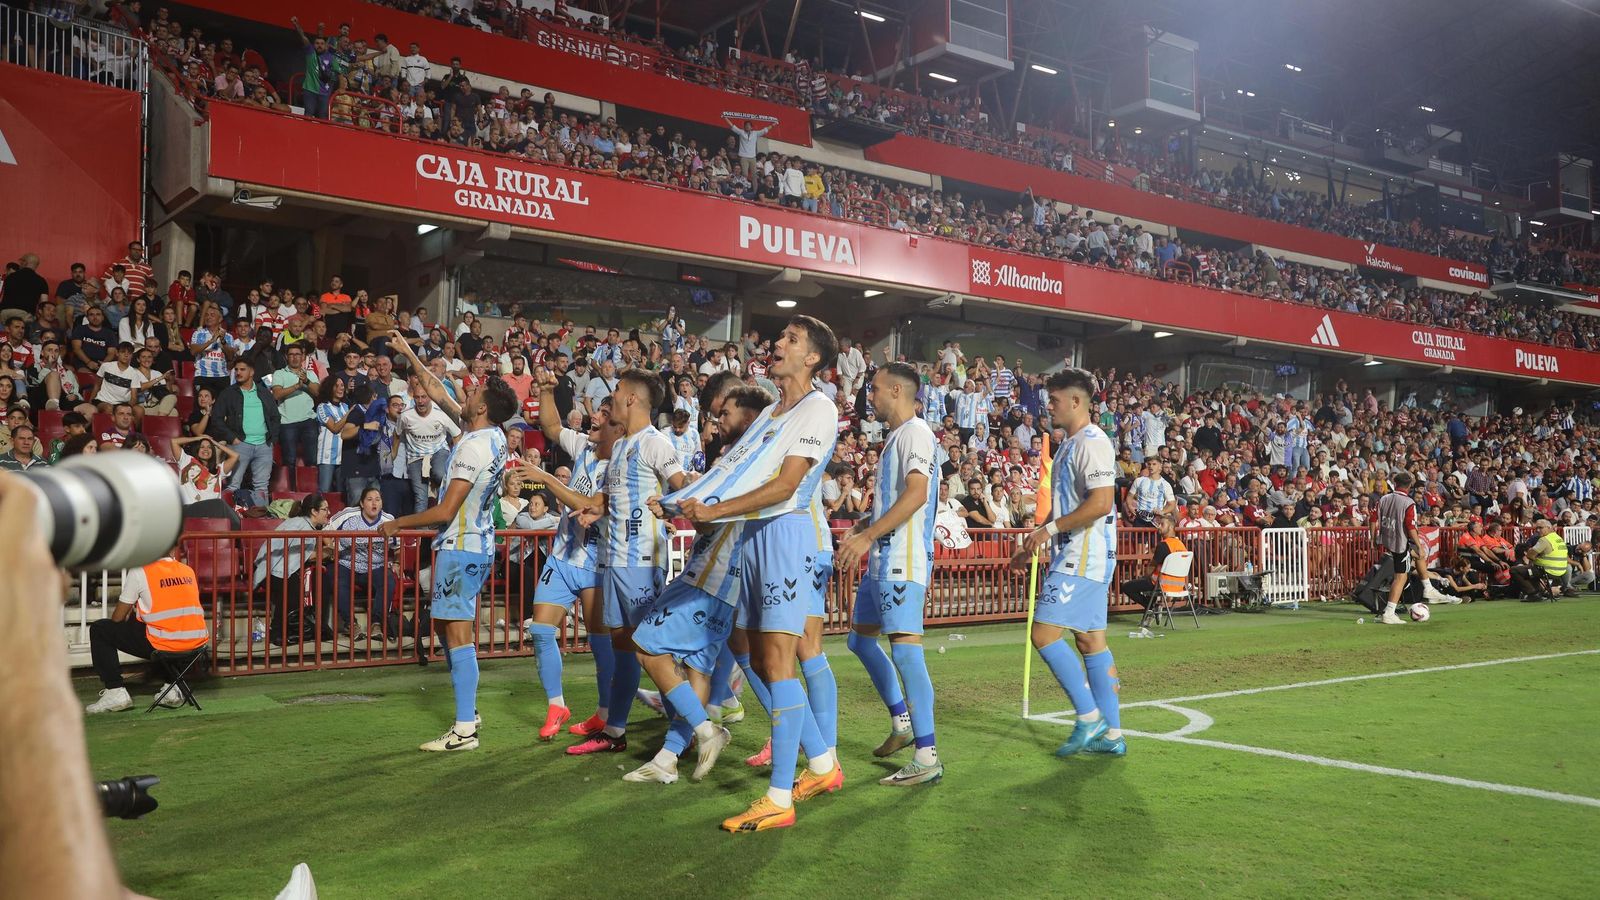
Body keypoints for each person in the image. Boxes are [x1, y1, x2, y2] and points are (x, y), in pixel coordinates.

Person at [657, 316, 840, 832]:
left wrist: (711, 511)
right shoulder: (770, 415)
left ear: (812, 359)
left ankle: (780, 797)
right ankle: (823, 764)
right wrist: (679, 500)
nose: (778, 343)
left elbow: (785, 486)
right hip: (754, 537)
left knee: (781, 660)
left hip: (785, 536)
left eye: (792, 339)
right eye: (780, 336)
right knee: (759, 659)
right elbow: (729, 471)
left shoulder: (818, 407)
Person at [624, 383, 771, 785]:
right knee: (697, 668)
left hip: (709, 577)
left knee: (645, 648)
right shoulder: (755, 461)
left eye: (726, 414)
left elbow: (708, 518)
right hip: (726, 583)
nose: (718, 421)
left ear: (750, 418)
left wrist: (673, 504)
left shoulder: (743, 461)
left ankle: (707, 731)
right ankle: (669, 757)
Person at [380, 375, 519, 752]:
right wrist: (406, 350)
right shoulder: (492, 436)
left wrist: (396, 523)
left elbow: (444, 511)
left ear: (483, 408)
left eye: (473, 393)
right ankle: (468, 713)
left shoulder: (472, 449)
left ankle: (464, 729)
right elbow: (440, 393)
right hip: (471, 545)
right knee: (445, 625)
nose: (466, 394)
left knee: (457, 634)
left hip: (462, 546)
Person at [565, 369, 689, 757]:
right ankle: (616, 731)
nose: (612, 396)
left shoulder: (655, 443)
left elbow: (685, 486)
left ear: (632, 399)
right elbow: (608, 497)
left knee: (647, 650)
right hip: (614, 560)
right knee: (623, 648)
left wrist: (671, 506)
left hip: (640, 561)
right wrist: (592, 511)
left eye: (616, 391)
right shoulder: (619, 446)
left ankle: (690, 726)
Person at [836, 362, 944, 786]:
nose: (871, 398)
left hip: (903, 559)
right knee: (859, 640)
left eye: (876, 390)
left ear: (897, 390)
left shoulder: (916, 432)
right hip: (883, 556)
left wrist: (868, 537)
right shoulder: (897, 438)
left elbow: (917, 493)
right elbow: (897, 499)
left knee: (904, 650)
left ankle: (927, 753)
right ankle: (902, 722)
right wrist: (865, 527)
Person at [1010, 368, 1125, 758]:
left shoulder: (1093, 442)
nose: (1049, 406)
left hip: (1083, 555)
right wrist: (1034, 541)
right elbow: (1066, 507)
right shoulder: (1069, 445)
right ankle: (1112, 736)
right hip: (1078, 553)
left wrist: (1048, 531)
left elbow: (1101, 503)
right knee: (1091, 641)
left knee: (1043, 634)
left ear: (1077, 401)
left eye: (1055, 400)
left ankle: (1089, 717)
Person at [522, 370, 620, 739]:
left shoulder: (622, 467)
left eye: (604, 417)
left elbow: (586, 504)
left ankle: (604, 712)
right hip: (562, 559)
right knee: (543, 631)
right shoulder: (583, 448)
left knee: (600, 642)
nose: (594, 419)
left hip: (597, 564)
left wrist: (548, 480)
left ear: (618, 429)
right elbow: (549, 426)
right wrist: (547, 391)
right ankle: (557, 704)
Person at [84, 543, 209, 713]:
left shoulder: (140, 571)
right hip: (197, 645)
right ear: (172, 549)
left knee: (100, 629)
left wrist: (133, 611)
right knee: (167, 628)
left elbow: (118, 618)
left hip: (165, 644)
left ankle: (115, 691)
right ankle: (172, 687)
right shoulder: (187, 570)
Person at [253, 493, 334, 645]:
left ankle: (294, 631)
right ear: (314, 511)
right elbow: (304, 557)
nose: (328, 513)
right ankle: (277, 633)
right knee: (292, 589)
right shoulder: (301, 525)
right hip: (272, 569)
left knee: (296, 585)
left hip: (279, 567)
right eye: (325, 509)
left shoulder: (305, 524)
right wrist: (329, 551)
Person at [324, 487, 399, 641]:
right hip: (346, 563)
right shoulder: (348, 515)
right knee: (337, 578)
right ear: (362, 503)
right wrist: (331, 549)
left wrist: (397, 562)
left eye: (377, 499)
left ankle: (376, 624)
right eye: (370, 499)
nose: (374, 503)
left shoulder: (389, 520)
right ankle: (351, 624)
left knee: (388, 580)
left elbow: (397, 547)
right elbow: (325, 529)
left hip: (375, 566)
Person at [215, 358, 280, 509]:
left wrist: (272, 440)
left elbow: (275, 417)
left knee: (262, 489)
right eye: (236, 369)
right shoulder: (228, 393)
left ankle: (261, 523)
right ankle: (229, 519)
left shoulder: (264, 392)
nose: (238, 372)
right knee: (233, 485)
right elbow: (216, 418)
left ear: (251, 372)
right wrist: (232, 438)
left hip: (264, 446)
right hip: (240, 445)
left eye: (242, 369)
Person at [1375, 471, 1427, 624]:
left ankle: (1429, 587)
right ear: (1410, 485)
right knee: (1401, 576)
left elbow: (1372, 518)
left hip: (1385, 539)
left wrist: (1373, 537)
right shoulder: (1408, 502)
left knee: (1400, 574)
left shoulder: (1384, 498)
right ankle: (1389, 613)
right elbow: (1410, 527)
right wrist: (1419, 545)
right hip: (1400, 542)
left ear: (1395, 483)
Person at [400, 384, 461, 511]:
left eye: (424, 397)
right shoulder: (405, 416)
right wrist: (393, 455)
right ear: (413, 399)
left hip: (438, 451)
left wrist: (457, 458)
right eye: (417, 397)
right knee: (420, 497)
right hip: (415, 456)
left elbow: (457, 435)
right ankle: (420, 530)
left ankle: (442, 519)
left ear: (430, 398)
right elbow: (396, 434)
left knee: (439, 475)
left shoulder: (441, 415)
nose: (421, 401)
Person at [270, 344, 321, 490]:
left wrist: (306, 382)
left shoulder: (309, 373)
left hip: (308, 420)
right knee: (289, 460)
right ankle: (291, 491)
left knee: (312, 459)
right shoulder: (280, 373)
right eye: (291, 354)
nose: (294, 357)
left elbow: (318, 393)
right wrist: (296, 386)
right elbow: (276, 394)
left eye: (298, 354)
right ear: (286, 356)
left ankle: (311, 490)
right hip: (287, 422)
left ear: (303, 356)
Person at [1120, 513, 1187, 611]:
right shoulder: (1181, 545)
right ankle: (1153, 607)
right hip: (1180, 585)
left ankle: (1151, 606)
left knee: (1127, 587)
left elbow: (1151, 568)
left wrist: (1144, 577)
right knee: (1149, 583)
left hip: (1162, 584)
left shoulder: (1163, 545)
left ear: (1171, 527)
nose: (1159, 527)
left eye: (1162, 524)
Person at [171, 435, 240, 524]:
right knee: (219, 504)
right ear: (197, 449)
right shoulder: (186, 461)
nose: (206, 449)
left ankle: (240, 534)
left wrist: (214, 443)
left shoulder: (218, 470)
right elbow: (174, 441)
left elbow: (235, 456)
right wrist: (198, 438)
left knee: (220, 507)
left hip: (213, 511)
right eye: (202, 447)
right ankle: (241, 534)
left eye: (209, 448)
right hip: (190, 509)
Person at [1511, 518, 1570, 601]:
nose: (1538, 530)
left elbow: (1530, 555)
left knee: (1515, 570)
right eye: (1536, 528)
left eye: (1541, 528)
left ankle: (1533, 594)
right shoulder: (1559, 538)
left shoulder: (1544, 540)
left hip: (1547, 570)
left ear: (1549, 527)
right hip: (1561, 571)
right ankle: (1542, 592)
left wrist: (1535, 557)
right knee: (1531, 570)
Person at [1125, 459, 1176, 528]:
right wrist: (1130, 507)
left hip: (1156, 520)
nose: (1151, 466)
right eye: (1149, 464)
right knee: (1139, 539)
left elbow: (1172, 504)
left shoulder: (1165, 484)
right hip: (1140, 520)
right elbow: (1129, 497)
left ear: (1160, 466)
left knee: (1155, 539)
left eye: (1154, 464)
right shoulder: (1139, 480)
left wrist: (1162, 511)